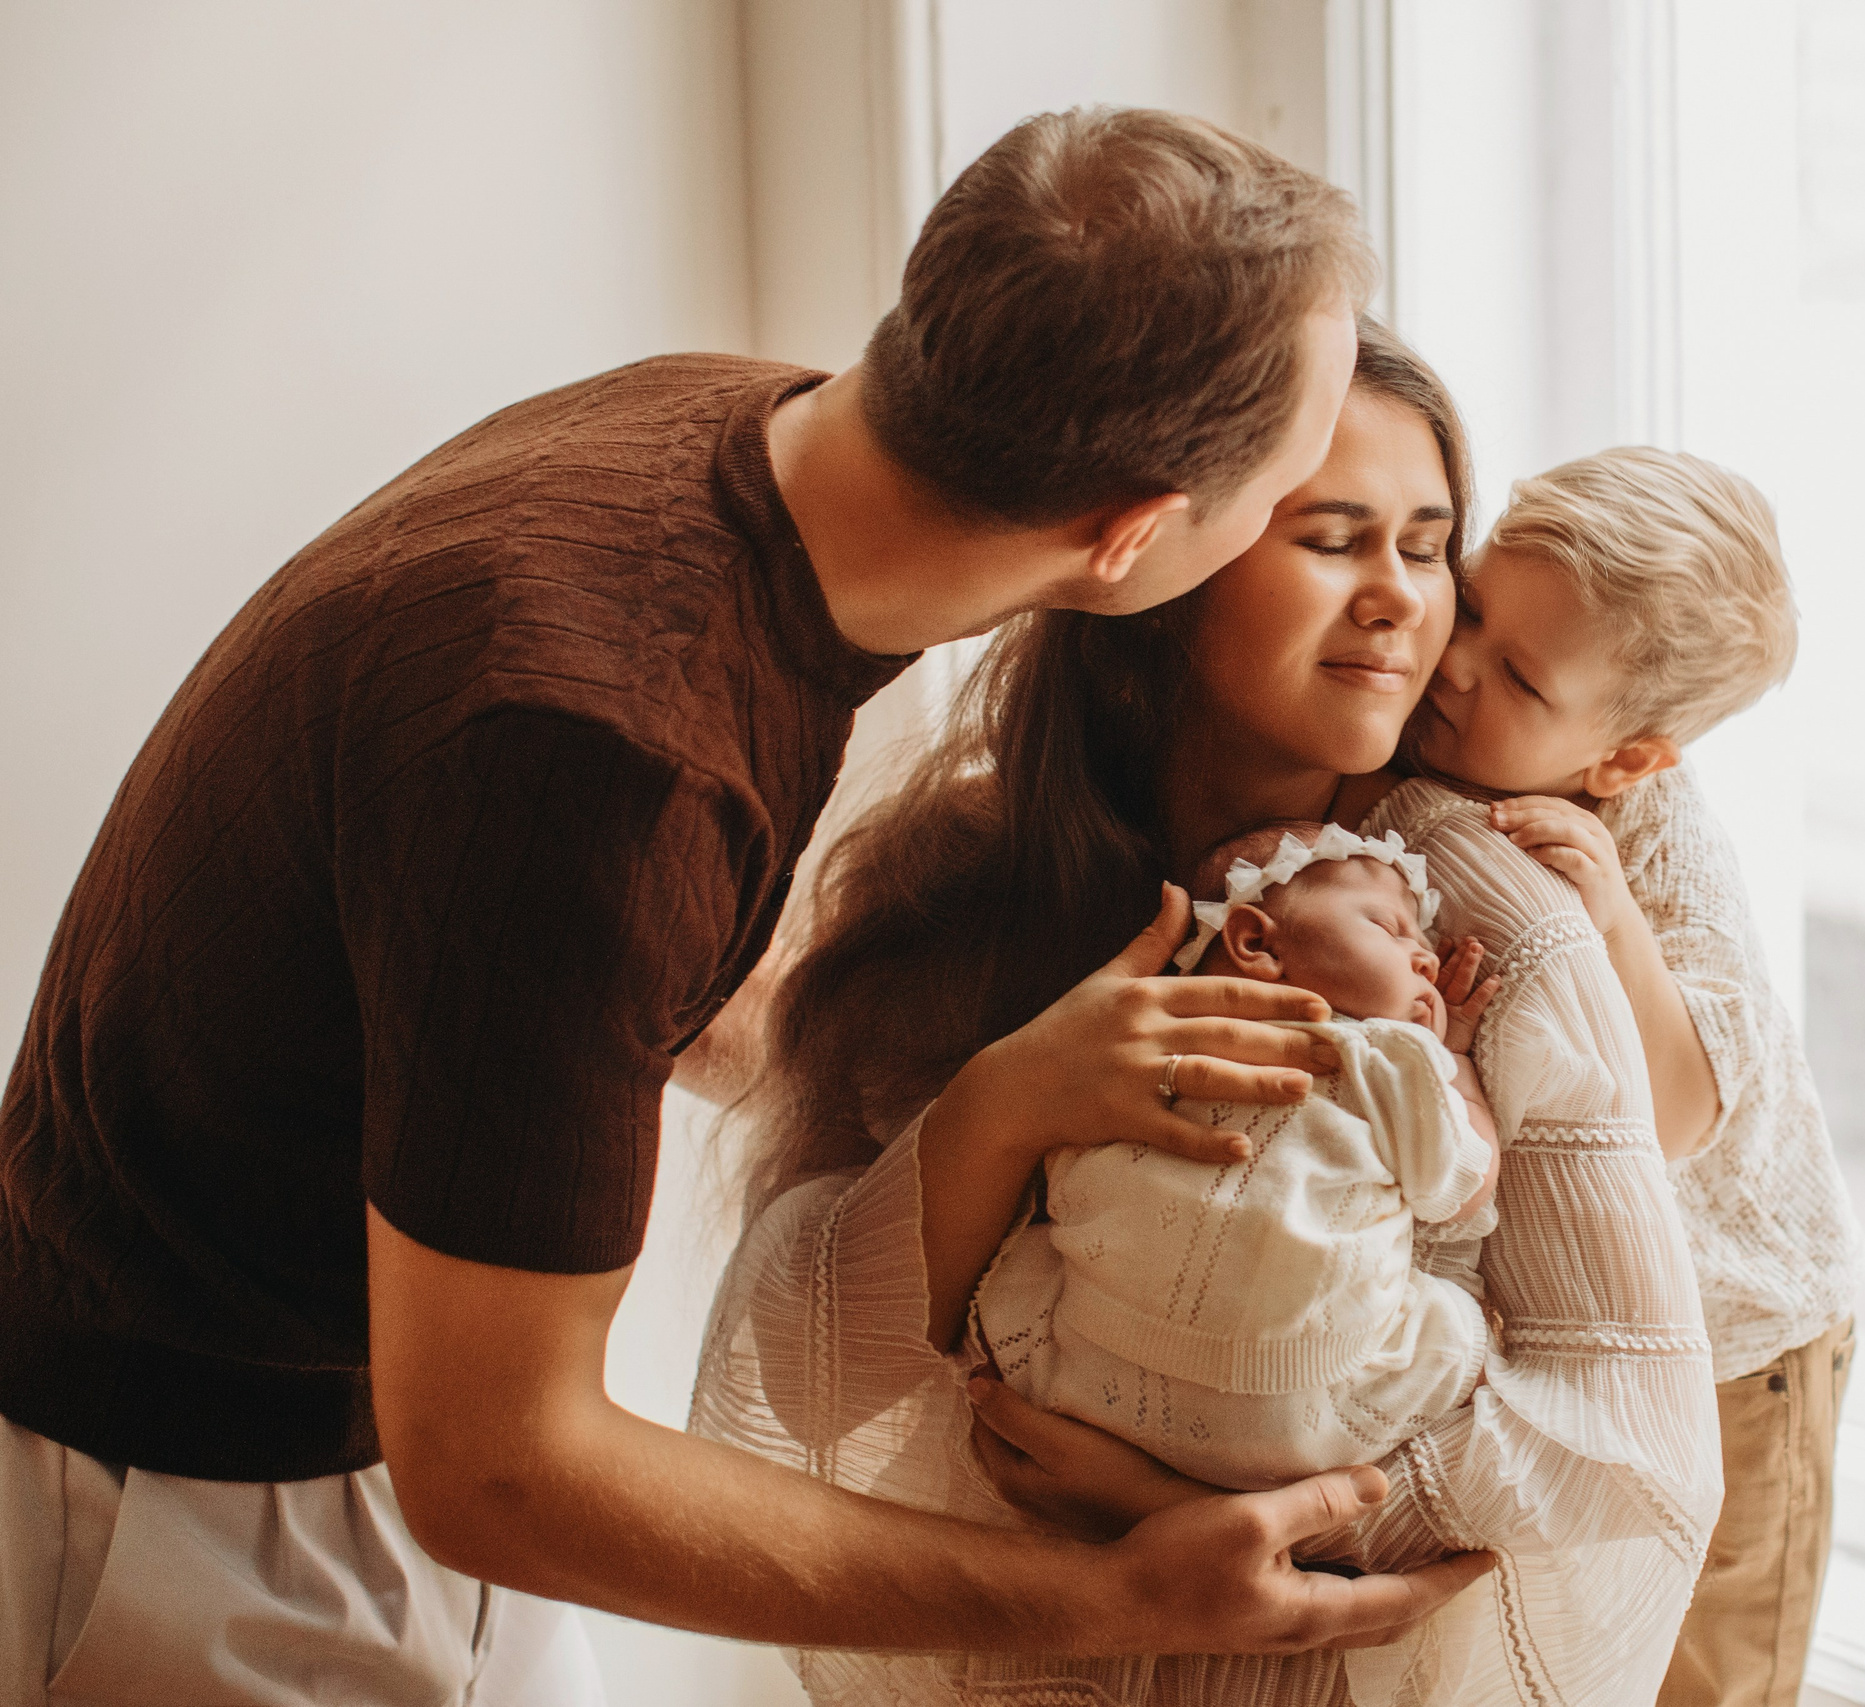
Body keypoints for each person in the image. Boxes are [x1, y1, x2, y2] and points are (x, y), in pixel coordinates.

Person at [0, 107, 1501, 1704]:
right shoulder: (600, 747)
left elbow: (541, 946)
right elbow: (500, 1467)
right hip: (199, 1492)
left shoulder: (729, 434)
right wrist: (1102, 1593)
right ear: (1133, 535)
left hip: (370, 1412)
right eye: (1294, 505)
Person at [693, 319, 1723, 1706]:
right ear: (1168, 556)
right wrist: (1009, 1105)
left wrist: (1163, 1496)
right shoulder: (960, 884)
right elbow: (807, 1371)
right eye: (1334, 537)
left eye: (1427, 549)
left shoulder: (1485, 921)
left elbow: (1634, 1449)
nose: (1399, 602)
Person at [1401, 448, 1859, 1706]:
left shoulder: (1651, 837)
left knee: (1712, 1666)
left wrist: (1609, 922)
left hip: (1743, 1340)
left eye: (1519, 677)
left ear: (1625, 760)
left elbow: (1681, 1108)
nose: (1454, 665)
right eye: (1477, 607)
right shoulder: (1430, 738)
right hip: (1581, 1345)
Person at [966, 822, 1503, 1492]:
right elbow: (1467, 1184)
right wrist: (1453, 1061)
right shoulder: (1387, 1057)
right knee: (1462, 1328)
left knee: (1023, 1259)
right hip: (1304, 1412)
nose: (1423, 957)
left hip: (1089, 1371)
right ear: (1255, 941)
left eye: (1422, 945)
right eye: (1389, 926)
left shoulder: (1136, 1048)